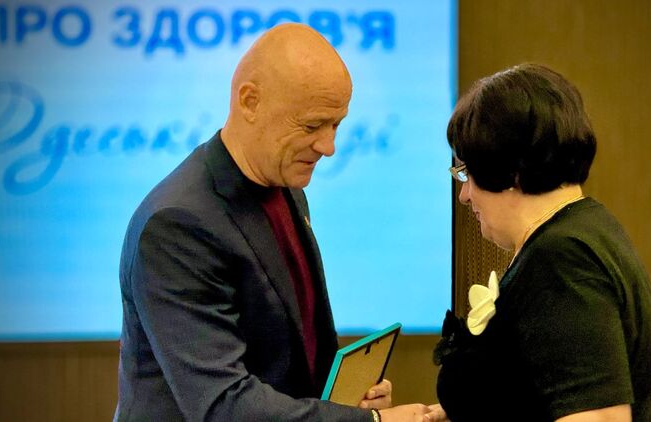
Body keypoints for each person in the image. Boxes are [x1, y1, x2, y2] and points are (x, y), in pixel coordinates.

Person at [115, 23, 431, 421]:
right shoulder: (177, 225)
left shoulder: (285, 186)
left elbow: (296, 350)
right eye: (312, 126)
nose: (329, 146)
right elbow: (223, 404)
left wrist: (347, 401)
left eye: (336, 124)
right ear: (250, 101)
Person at [431, 64, 651, 421]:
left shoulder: (562, 258)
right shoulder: (585, 227)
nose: (465, 195)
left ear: (509, 171)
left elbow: (598, 418)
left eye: (468, 173)